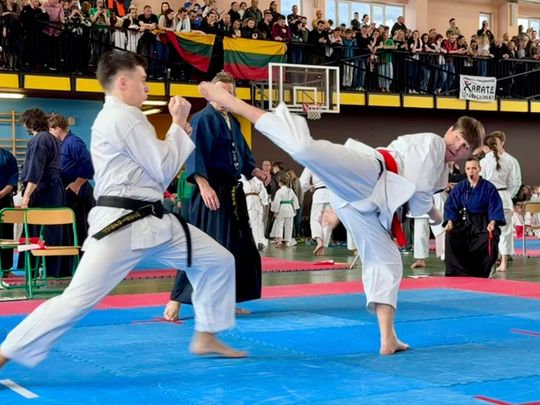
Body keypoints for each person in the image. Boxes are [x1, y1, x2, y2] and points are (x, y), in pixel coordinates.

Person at [197, 81, 485, 355]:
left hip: (370, 205)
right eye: (457, 138)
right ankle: (231, 101)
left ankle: (388, 338)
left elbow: (418, 200)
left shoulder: (443, 174)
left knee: (388, 262)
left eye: (465, 148)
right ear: (449, 130)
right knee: (305, 149)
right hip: (371, 173)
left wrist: (434, 214)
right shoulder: (433, 144)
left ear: (469, 154)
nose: (457, 147)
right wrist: (435, 213)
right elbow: (419, 194)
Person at [0, 51, 246, 371]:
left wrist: (177, 134)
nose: (147, 87)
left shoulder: (126, 117)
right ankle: (4, 353)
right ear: (122, 82)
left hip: (153, 220)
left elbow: (155, 167)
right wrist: (175, 124)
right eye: (142, 80)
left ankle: (207, 334)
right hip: (121, 224)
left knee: (218, 260)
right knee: (76, 300)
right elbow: (163, 168)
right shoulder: (123, 117)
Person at [163, 71, 269, 322]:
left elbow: (242, 154)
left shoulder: (233, 121)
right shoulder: (202, 119)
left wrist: (254, 171)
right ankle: (176, 298)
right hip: (210, 191)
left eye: (230, 93)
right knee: (203, 246)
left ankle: (226, 300)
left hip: (232, 191)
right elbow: (194, 154)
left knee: (237, 247)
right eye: (221, 92)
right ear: (211, 93)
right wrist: (203, 184)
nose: (225, 97)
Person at [19, 108, 67, 278]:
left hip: (42, 191)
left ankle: (36, 270)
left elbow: (35, 170)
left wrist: (26, 196)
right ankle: (52, 270)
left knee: (38, 231)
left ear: (29, 123)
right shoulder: (51, 138)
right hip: (53, 190)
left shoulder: (40, 139)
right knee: (53, 230)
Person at [444, 157, 505, 278]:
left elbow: (495, 206)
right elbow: (451, 205)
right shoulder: (460, 187)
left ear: (479, 169)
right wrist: (450, 220)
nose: (471, 171)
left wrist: (493, 222)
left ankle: (481, 272)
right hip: (464, 221)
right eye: (468, 169)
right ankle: (458, 272)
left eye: (474, 168)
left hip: (483, 222)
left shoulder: (488, 187)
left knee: (490, 237)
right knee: (451, 235)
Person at [48, 114, 95, 248]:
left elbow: (90, 165)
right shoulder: (62, 143)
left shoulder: (73, 142)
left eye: (51, 130)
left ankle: (82, 256)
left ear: (57, 129)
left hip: (78, 191)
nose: (50, 134)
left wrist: (77, 184)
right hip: (68, 189)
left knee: (80, 227)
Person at [480, 132, 515, 272]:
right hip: (505, 198)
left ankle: (491, 260)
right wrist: (507, 196)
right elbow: (512, 184)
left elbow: (481, 183)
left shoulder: (484, 162)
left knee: (488, 231)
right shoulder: (509, 161)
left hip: (489, 199)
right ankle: (504, 262)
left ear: (486, 147)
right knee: (506, 232)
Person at [300, 168, 331, 255]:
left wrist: (309, 187)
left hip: (319, 193)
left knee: (315, 219)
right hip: (331, 194)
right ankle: (323, 246)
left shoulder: (312, 162)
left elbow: (302, 181)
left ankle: (319, 241)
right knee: (327, 221)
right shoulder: (332, 161)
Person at [0, 147, 19, 278]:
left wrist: (1, 193)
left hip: (4, 200)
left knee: (6, 234)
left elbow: (12, 180)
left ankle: (6, 269)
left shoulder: (7, 156)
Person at [271, 172, 299, 247]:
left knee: (279, 224)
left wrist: (275, 211)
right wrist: (295, 209)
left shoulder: (279, 191)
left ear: (280, 183)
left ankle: (279, 241)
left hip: (282, 208)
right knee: (289, 225)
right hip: (290, 208)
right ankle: (287, 242)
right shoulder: (291, 190)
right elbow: (295, 200)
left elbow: (276, 202)